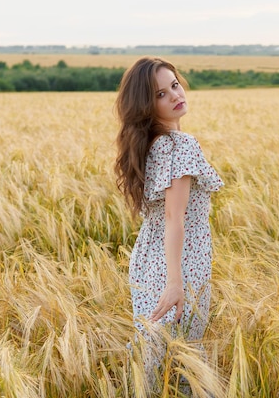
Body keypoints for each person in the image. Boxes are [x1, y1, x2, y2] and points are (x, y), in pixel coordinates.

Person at [114, 56, 224, 389]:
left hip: (148, 261)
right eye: (160, 94)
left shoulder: (150, 144)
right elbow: (176, 218)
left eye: (174, 85)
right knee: (184, 361)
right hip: (179, 265)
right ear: (146, 105)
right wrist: (175, 282)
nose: (175, 95)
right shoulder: (179, 145)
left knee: (152, 356)